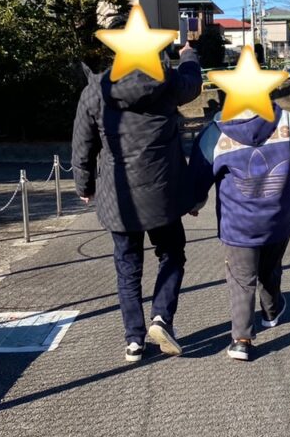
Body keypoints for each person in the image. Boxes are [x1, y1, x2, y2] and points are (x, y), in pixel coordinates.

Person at [72, 30, 202, 363]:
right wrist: (189, 54)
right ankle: (161, 317)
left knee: (127, 265)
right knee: (172, 253)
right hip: (163, 193)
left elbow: (83, 145)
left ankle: (134, 340)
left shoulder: (96, 90)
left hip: (118, 196)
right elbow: (193, 83)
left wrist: (84, 186)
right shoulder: (167, 82)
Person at [188, 103, 290, 361]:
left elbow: (198, 174)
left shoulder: (215, 132)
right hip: (277, 220)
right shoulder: (285, 122)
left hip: (237, 224)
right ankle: (271, 311)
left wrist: (194, 203)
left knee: (242, 279)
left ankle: (241, 340)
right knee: (270, 267)